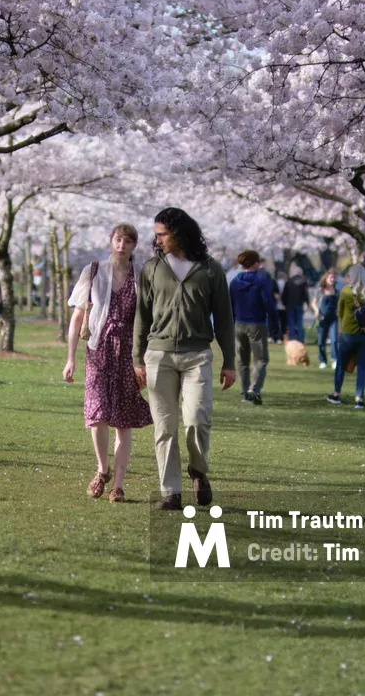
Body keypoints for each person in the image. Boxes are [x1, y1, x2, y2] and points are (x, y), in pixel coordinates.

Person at [133, 207, 236, 511]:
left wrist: (230, 362)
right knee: (164, 428)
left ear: (179, 233)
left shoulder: (210, 269)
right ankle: (171, 492)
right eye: (156, 235)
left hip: (197, 356)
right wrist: (137, 359)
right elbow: (142, 316)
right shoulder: (152, 268)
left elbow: (225, 319)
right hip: (158, 356)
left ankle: (199, 471)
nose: (157, 240)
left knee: (197, 421)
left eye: (162, 234)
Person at [64, 223, 153, 504]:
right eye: (118, 240)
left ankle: (118, 484)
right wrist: (70, 358)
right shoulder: (93, 271)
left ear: (134, 245)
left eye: (127, 241)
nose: (121, 245)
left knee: (123, 421)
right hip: (98, 349)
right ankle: (102, 469)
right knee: (97, 413)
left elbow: (149, 320)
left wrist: (145, 361)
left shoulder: (142, 276)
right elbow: (77, 317)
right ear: (111, 241)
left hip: (129, 353)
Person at [229, 249, 280, 404]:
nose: (260, 264)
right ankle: (254, 388)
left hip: (239, 324)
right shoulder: (261, 280)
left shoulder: (235, 282)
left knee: (242, 360)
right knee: (261, 359)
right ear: (254, 263)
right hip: (257, 324)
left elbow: (230, 304)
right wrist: (275, 322)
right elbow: (269, 303)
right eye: (258, 261)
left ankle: (245, 393)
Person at [327, 264, 365, 409]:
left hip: (348, 334)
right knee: (362, 368)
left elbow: (340, 312)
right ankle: (359, 399)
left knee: (341, 365)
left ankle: (336, 394)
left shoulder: (346, 292)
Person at [311, 269, 339, 369]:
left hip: (334, 319)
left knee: (334, 340)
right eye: (330, 278)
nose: (332, 279)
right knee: (321, 341)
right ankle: (322, 361)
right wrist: (316, 310)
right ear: (326, 279)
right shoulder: (320, 291)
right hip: (322, 319)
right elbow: (313, 303)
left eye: (333, 278)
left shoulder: (336, 291)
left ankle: (335, 360)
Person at [281, 265, 309, 342]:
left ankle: (292, 338)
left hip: (289, 304)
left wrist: (284, 303)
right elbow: (305, 294)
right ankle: (300, 339)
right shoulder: (303, 281)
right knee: (299, 322)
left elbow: (284, 294)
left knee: (291, 322)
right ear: (301, 273)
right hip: (299, 304)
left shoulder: (289, 281)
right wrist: (307, 303)